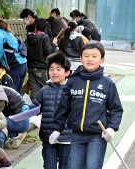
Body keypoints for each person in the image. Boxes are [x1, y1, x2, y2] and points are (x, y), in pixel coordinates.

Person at [49, 41, 124, 169]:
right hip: (77, 134)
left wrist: (111, 128)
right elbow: (63, 107)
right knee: (75, 166)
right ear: (80, 59)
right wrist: (57, 129)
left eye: (94, 56)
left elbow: (116, 109)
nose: (90, 59)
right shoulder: (73, 81)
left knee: (93, 166)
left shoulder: (107, 83)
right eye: (86, 55)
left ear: (102, 60)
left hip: (97, 135)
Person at [28, 51, 71, 169]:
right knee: (49, 166)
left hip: (67, 137)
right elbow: (35, 107)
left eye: (58, 69)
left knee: (66, 166)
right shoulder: (44, 91)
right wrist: (25, 109)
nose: (54, 72)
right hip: (48, 136)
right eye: (51, 69)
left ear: (67, 72)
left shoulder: (72, 91)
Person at [0, 12, 27, 94]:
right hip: (22, 65)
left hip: (15, 67)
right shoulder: (3, 31)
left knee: (12, 95)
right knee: (18, 94)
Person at [25, 18, 58, 100]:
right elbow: (48, 52)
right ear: (45, 28)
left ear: (35, 27)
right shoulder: (44, 37)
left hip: (30, 66)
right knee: (46, 87)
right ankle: (48, 106)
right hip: (41, 67)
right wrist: (53, 44)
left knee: (34, 89)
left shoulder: (29, 37)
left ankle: (34, 109)